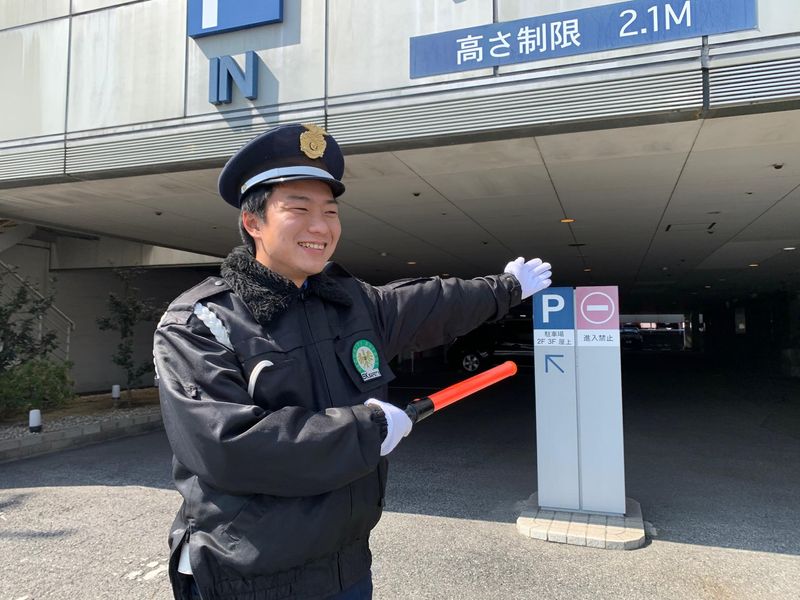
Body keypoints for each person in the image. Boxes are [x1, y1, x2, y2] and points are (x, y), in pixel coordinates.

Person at [153, 123, 552, 600]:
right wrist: (368, 429)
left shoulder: (349, 303)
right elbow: (227, 447)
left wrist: (505, 288)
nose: (320, 227)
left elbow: (432, 303)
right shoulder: (201, 321)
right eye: (299, 209)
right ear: (253, 222)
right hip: (249, 574)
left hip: (347, 565)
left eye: (330, 211)